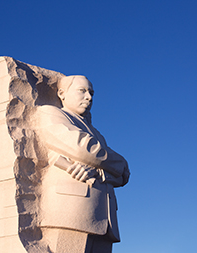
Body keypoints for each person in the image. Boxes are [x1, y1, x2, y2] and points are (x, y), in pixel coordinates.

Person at [35, 75, 130, 253]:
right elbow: (83, 148)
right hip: (72, 213)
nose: (89, 97)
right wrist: (119, 162)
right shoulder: (51, 113)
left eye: (91, 93)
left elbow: (124, 174)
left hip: (104, 218)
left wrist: (102, 172)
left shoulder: (97, 134)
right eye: (82, 91)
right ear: (62, 94)